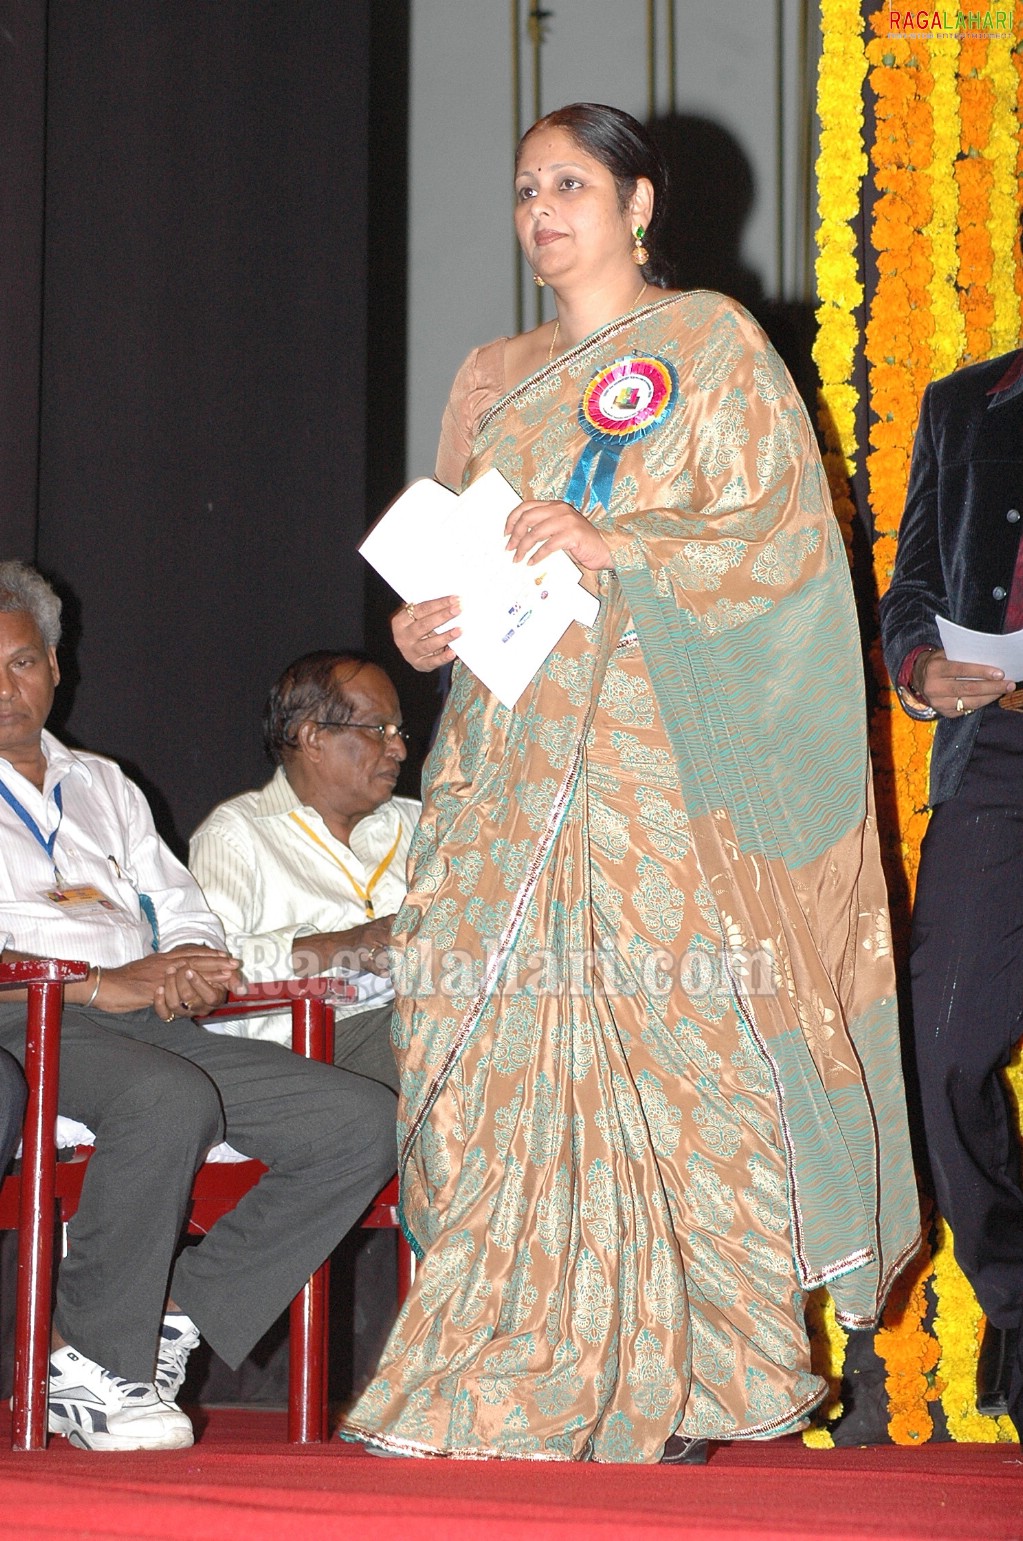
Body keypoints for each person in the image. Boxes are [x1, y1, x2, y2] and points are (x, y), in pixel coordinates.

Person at [338, 103, 919, 1464]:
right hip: (504, 758)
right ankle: (495, 1368)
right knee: (492, 1050)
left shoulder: (711, 346)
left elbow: (781, 549)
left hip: (653, 766)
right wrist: (418, 631)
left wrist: (618, 538)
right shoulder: (491, 373)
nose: (541, 211)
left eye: (571, 185)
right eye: (524, 186)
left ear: (638, 204)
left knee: (672, 1045)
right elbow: (446, 576)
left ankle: (691, 1373)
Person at [0, 561, 397, 1451]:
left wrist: (182, 958)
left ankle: (181, 1308)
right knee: (166, 1096)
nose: (4, 688)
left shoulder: (101, 782)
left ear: (56, 667)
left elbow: (178, 901)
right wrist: (97, 981)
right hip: (22, 1013)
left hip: (138, 1016)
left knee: (361, 1120)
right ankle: (93, 1361)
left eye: (22, 662)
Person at [879, 346, 1023, 1440]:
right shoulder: (965, 402)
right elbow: (915, 589)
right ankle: (1019, 1298)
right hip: (1000, 759)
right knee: (943, 1045)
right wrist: (921, 669)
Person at [189, 650, 417, 1093]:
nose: (400, 748)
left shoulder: (422, 825)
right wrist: (341, 946)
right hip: (302, 1052)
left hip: (418, 1020)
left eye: (398, 730)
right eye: (379, 730)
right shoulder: (238, 834)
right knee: (456, 1036)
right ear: (312, 738)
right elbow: (205, 970)